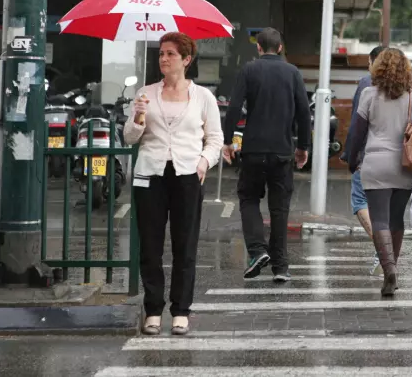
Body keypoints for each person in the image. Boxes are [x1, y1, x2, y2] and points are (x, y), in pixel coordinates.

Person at [125, 32, 223, 336]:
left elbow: (215, 138)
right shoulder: (145, 93)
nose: (163, 59)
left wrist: (204, 161)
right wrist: (138, 118)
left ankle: (181, 310)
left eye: (170, 54)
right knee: (150, 245)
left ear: (186, 60)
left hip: (186, 175)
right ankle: (153, 310)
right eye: (161, 54)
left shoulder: (203, 97)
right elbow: (129, 137)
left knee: (185, 245)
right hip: (149, 175)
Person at [222, 27, 311, 283]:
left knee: (249, 198)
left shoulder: (249, 70)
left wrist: (228, 142)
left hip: (253, 150)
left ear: (258, 48)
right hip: (282, 151)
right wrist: (303, 146)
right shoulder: (292, 72)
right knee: (279, 208)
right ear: (280, 47)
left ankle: (258, 251)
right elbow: (304, 112)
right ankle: (280, 266)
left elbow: (235, 107)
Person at [346, 48, 412, 296]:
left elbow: (356, 133)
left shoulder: (369, 95)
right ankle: (393, 267)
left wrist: (351, 160)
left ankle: (388, 269)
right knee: (395, 220)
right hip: (404, 166)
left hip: (376, 165)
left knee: (378, 218)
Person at [342, 45, 386, 276]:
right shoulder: (406, 86)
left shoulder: (366, 84)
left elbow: (357, 125)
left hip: (369, 156)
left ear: (373, 62)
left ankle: (383, 249)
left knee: (360, 201)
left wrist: (351, 156)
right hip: (395, 160)